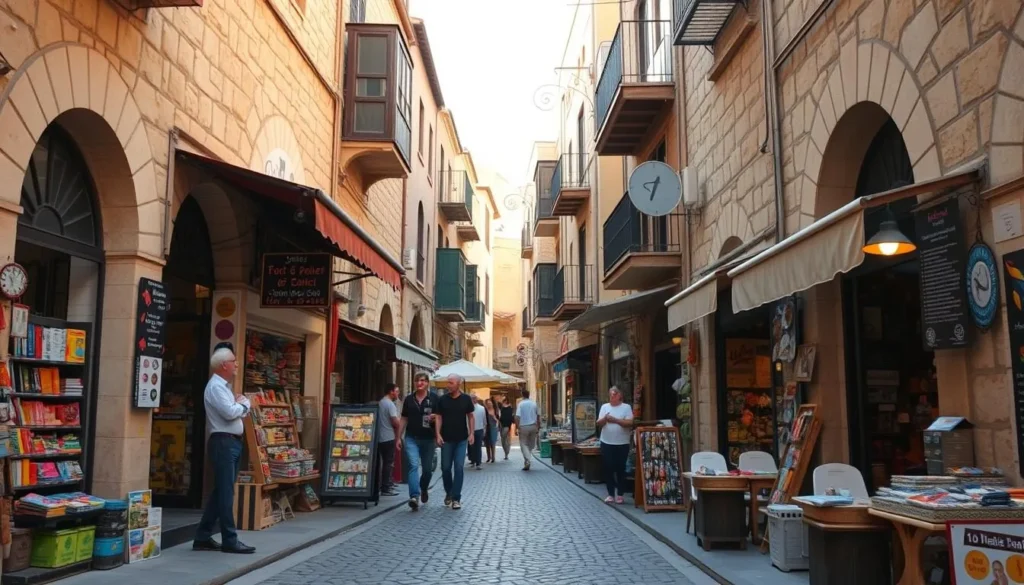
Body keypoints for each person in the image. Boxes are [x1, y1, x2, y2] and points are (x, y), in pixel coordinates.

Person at [193, 348, 254, 554]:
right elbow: (230, 413)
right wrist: (245, 404)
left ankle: (202, 536)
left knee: (221, 491)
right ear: (223, 365)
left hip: (230, 443)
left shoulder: (223, 388)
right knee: (226, 493)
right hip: (224, 443)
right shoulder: (216, 388)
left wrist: (238, 405)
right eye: (233, 361)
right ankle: (230, 539)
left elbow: (231, 410)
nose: (237, 364)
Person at [399, 371, 437, 511]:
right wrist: (398, 437)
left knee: (427, 470)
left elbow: (440, 418)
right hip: (411, 438)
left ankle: (424, 488)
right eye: (417, 381)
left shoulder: (434, 398)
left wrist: (435, 418)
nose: (419, 383)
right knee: (413, 465)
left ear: (427, 383)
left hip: (428, 438)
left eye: (422, 380)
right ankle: (414, 496)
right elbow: (404, 418)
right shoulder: (409, 399)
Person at [435, 374, 474, 509]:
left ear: (458, 384)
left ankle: (456, 498)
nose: (448, 385)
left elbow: (470, 416)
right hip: (446, 439)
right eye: (448, 383)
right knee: (445, 468)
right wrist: (437, 434)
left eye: (451, 383)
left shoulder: (466, 399)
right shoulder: (442, 400)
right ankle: (449, 492)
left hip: (461, 439)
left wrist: (471, 433)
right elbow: (439, 417)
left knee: (458, 467)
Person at [597, 386, 634, 504]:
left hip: (622, 443)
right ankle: (610, 494)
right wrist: (605, 419)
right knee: (608, 467)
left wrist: (615, 420)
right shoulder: (605, 407)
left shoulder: (626, 407)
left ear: (620, 396)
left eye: (614, 394)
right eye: (611, 394)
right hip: (606, 442)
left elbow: (630, 423)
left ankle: (620, 494)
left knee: (620, 468)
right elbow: (598, 423)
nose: (612, 396)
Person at [376, 383, 402, 497]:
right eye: (397, 391)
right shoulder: (390, 404)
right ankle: (386, 487)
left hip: (380, 436)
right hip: (389, 436)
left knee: (383, 462)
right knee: (388, 463)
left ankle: (386, 484)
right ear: (391, 392)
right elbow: (395, 421)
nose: (398, 393)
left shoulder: (381, 402)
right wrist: (402, 424)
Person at [514, 389, 540, 471]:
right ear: (529, 395)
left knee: (523, 444)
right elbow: (538, 415)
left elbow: (517, 416)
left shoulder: (521, 404)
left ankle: (528, 459)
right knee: (531, 445)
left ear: (522, 395)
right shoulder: (534, 403)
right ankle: (526, 462)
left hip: (524, 426)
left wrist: (517, 427)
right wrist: (538, 426)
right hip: (533, 426)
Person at [469, 395, 486, 470]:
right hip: (479, 429)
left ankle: (474, 461)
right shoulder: (482, 408)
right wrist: (484, 428)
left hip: (471, 429)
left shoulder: (468, 408)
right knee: (478, 447)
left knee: (472, 446)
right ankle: (477, 463)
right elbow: (484, 419)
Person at [484, 398, 499, 464]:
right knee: (487, 443)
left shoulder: (496, 410)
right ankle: (488, 457)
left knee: (493, 443)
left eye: (490, 403)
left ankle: (493, 457)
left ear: (492, 404)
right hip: (487, 427)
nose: (489, 405)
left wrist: (494, 416)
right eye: (488, 404)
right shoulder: (485, 410)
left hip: (493, 428)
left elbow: (498, 420)